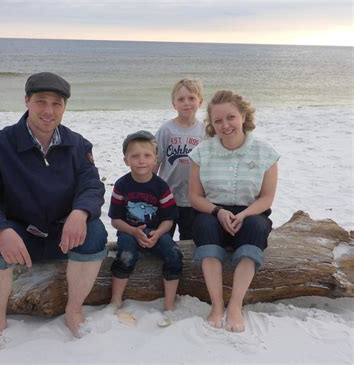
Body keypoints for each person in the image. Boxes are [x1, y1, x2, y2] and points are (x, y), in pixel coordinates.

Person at [0, 72, 108, 358]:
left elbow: (92, 185)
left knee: (96, 232)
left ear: (64, 107)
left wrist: (80, 212)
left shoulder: (78, 145)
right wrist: (1, 230)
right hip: (18, 237)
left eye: (57, 104)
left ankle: (73, 311)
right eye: (41, 102)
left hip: (62, 236)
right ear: (27, 101)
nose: (48, 111)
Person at [188, 90, 279, 332]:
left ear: (243, 116)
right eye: (218, 121)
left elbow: (267, 198)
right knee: (204, 227)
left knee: (256, 228)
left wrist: (244, 214)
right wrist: (218, 212)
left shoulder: (265, 152)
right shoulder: (201, 152)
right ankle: (217, 305)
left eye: (231, 117)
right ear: (211, 124)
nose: (225, 125)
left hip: (251, 213)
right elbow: (195, 197)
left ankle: (236, 305)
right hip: (213, 211)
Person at [108, 130, 183, 319]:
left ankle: (169, 302)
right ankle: (116, 299)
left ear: (155, 159)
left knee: (174, 255)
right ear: (126, 160)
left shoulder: (161, 187)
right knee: (125, 256)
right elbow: (115, 220)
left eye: (147, 155)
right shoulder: (121, 185)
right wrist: (133, 231)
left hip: (156, 232)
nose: (141, 160)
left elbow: (169, 219)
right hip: (129, 230)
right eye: (135, 156)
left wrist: (158, 234)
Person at [155, 78, 205, 240]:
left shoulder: (204, 131)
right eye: (181, 99)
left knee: (189, 239)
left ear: (200, 102)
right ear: (173, 104)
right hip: (168, 196)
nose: (186, 103)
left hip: (193, 198)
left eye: (191, 98)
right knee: (163, 237)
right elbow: (155, 161)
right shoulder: (166, 130)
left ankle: (186, 266)